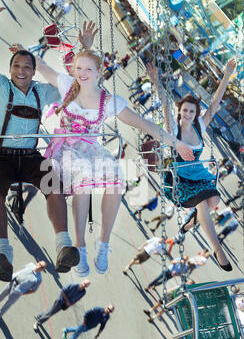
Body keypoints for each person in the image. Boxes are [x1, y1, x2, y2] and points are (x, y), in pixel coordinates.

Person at [11, 23, 194, 277]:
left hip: (90, 149)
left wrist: (178, 143)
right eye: (79, 69)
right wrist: (22, 54)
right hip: (64, 149)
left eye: (88, 70)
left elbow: (145, 124)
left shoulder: (108, 103)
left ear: (99, 72)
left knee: (116, 177)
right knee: (83, 178)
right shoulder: (66, 85)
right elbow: (41, 67)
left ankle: (103, 243)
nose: (82, 74)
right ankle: (80, 245)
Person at [0, 0, 81, 282]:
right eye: (16, 65)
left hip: (29, 155)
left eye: (27, 66)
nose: (21, 70)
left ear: (33, 71)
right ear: (10, 69)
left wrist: (83, 48)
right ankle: (3, 256)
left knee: (54, 183)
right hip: (0, 154)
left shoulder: (43, 91)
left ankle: (64, 246)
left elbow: (76, 87)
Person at [146, 58, 237, 272]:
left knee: (213, 199)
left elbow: (214, 104)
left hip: (198, 174)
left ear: (196, 114)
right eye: (185, 111)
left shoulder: (199, 127)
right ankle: (217, 249)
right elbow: (166, 105)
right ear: (180, 112)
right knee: (204, 203)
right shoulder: (174, 129)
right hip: (181, 178)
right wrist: (157, 83)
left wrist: (226, 75)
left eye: (191, 112)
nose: (187, 114)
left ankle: (188, 225)